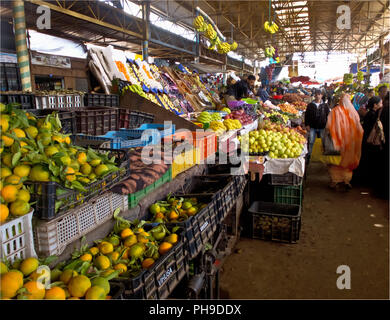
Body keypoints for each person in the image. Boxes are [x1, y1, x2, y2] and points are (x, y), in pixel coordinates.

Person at [326, 93, 364, 191]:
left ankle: (335, 181)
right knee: (348, 162)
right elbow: (359, 128)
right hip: (350, 143)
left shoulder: (335, 111)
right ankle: (346, 181)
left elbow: (328, 127)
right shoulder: (354, 112)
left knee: (335, 162)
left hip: (336, 143)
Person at [353, 96, 384, 186]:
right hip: (369, 141)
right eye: (380, 103)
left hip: (365, 140)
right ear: (375, 105)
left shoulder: (370, 114)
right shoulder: (373, 115)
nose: (382, 105)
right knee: (367, 161)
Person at [304, 89, 331, 162]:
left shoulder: (325, 105)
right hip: (312, 126)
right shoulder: (310, 105)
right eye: (316, 94)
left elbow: (328, 116)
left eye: (319, 94)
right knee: (311, 141)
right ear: (314, 95)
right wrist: (307, 125)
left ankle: (322, 156)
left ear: (321, 95)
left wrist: (328, 126)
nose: (317, 96)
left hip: (322, 127)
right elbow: (306, 116)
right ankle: (309, 155)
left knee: (323, 141)